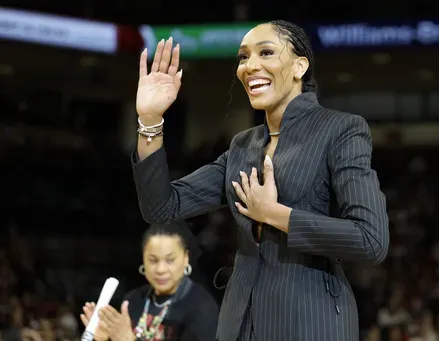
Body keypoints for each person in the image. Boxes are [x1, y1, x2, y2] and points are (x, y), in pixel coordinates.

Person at [132, 20, 389, 341]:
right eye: (242, 57)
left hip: (311, 321)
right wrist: (150, 120)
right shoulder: (242, 145)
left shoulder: (340, 130)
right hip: (238, 322)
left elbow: (371, 240)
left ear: (299, 66)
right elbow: (161, 209)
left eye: (265, 52)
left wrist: (275, 214)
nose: (250, 66)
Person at [80, 222, 219, 341]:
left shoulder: (202, 308)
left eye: (170, 260)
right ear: (143, 260)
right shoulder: (133, 300)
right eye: (153, 260)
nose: (160, 269)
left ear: (185, 259)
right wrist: (105, 338)